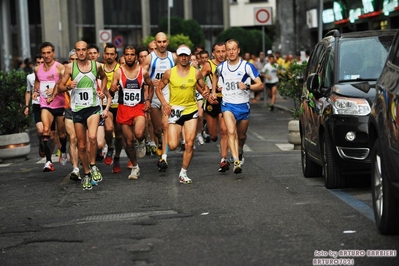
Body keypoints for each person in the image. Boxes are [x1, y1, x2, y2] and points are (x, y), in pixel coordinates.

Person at [58, 41, 111, 191]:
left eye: (83, 50)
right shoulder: (70, 67)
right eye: (78, 50)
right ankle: (86, 173)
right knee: (81, 145)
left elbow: (104, 77)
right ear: (75, 51)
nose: (81, 53)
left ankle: (93, 165)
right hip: (77, 110)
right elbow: (60, 86)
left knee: (93, 138)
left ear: (88, 51)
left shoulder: (96, 66)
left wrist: (102, 89)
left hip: (93, 107)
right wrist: (68, 86)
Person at [155, 45, 208, 184]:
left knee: (189, 144)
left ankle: (183, 173)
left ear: (190, 56)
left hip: (191, 110)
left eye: (186, 55)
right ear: (177, 57)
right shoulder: (169, 73)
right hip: (175, 111)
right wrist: (165, 104)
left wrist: (206, 92)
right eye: (181, 55)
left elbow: (204, 87)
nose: (184, 58)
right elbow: (158, 89)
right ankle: (173, 147)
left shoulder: (196, 73)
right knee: (173, 145)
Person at [212, 39, 263, 174]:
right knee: (230, 132)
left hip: (243, 106)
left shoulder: (246, 66)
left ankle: (240, 150)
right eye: (229, 49)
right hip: (227, 105)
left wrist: (247, 86)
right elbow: (215, 76)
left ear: (238, 50)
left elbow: (260, 84)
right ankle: (235, 161)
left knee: (241, 136)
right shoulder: (222, 67)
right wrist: (213, 91)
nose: (231, 52)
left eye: (234, 49)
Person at [110, 45, 154, 180]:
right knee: (128, 142)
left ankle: (141, 141)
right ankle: (135, 167)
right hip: (124, 109)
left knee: (139, 133)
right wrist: (113, 89)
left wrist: (148, 100)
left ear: (136, 56)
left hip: (138, 107)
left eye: (132, 54)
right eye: (127, 55)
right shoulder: (118, 72)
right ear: (124, 56)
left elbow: (150, 85)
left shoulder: (143, 72)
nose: (129, 57)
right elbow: (111, 90)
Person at [142, 32, 177, 172]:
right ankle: (161, 141)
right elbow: (141, 75)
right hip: (154, 95)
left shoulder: (173, 57)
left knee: (165, 126)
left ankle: (164, 157)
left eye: (164, 41)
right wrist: (150, 82)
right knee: (157, 130)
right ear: (155, 43)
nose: (162, 44)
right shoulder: (150, 58)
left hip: (168, 94)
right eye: (159, 42)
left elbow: (182, 71)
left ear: (167, 42)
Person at [33, 42, 68, 172]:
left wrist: (55, 89)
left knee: (62, 133)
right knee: (45, 130)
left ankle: (63, 150)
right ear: (41, 55)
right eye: (44, 53)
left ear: (53, 53)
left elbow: (65, 83)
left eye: (49, 53)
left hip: (59, 104)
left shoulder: (59, 68)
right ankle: (48, 161)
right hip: (45, 104)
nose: (47, 55)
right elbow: (37, 80)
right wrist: (36, 91)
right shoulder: (37, 69)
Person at [200, 42, 230, 172]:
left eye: (223, 51)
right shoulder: (209, 65)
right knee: (214, 136)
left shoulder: (231, 64)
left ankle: (224, 160)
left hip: (226, 100)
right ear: (213, 53)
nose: (221, 54)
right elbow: (196, 79)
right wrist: (205, 92)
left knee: (224, 130)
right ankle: (208, 128)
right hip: (212, 101)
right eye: (218, 51)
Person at [101, 44, 125, 174]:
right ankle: (110, 147)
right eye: (107, 54)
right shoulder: (100, 68)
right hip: (106, 105)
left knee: (120, 135)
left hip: (120, 105)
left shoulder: (120, 69)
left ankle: (117, 158)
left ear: (115, 55)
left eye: (112, 54)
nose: (109, 56)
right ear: (104, 54)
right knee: (109, 128)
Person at [63, 49, 81, 181]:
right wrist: (67, 86)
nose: (74, 62)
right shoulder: (65, 74)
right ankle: (75, 168)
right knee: (73, 138)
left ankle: (86, 164)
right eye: (72, 60)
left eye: (76, 59)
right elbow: (59, 87)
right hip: (69, 109)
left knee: (83, 140)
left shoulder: (86, 72)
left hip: (84, 110)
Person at [24, 54, 44, 157]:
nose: (40, 65)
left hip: (49, 105)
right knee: (40, 131)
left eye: (42, 63)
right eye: (38, 63)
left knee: (49, 132)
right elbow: (28, 91)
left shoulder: (51, 74)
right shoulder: (30, 77)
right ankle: (41, 144)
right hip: (36, 105)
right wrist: (26, 106)